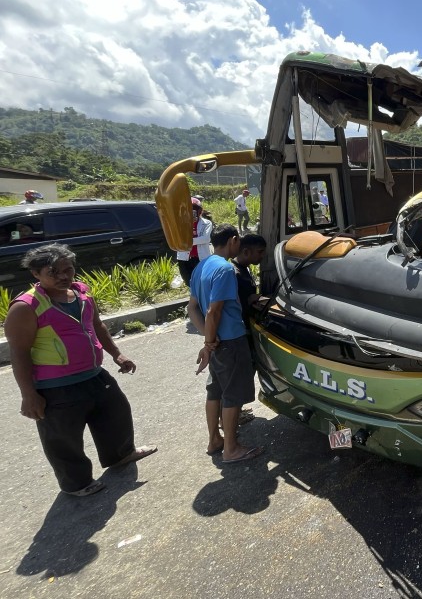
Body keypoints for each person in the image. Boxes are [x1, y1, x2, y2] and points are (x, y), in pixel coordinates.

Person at [4, 244, 156, 497]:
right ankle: (76, 483)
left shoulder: (81, 293)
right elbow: (19, 353)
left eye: (68, 269)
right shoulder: (26, 306)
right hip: (56, 387)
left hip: (93, 374)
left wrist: (117, 354)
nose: (64, 276)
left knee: (115, 413)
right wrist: (28, 394)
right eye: (54, 272)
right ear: (35, 274)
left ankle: (121, 455)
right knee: (63, 438)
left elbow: (97, 326)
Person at [188, 224, 264, 464]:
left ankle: (215, 440)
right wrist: (210, 341)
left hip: (218, 342)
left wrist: (208, 340)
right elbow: (214, 311)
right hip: (231, 340)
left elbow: (192, 308)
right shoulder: (225, 269)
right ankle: (231, 449)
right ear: (233, 240)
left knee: (215, 390)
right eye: (238, 240)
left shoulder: (201, 266)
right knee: (233, 395)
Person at [229, 233, 268, 425]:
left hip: (246, 328)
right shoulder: (235, 274)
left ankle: (235, 411)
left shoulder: (243, 269)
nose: (262, 257)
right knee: (242, 374)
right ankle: (231, 415)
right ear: (246, 251)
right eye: (259, 252)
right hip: (240, 331)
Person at [177, 197, 213, 287]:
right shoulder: (180, 224)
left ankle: (201, 299)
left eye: (194, 210)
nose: (192, 213)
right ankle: (195, 298)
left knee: (202, 282)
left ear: (200, 211)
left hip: (200, 258)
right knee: (189, 282)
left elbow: (206, 238)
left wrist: (188, 241)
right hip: (184, 258)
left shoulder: (207, 223)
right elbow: (178, 238)